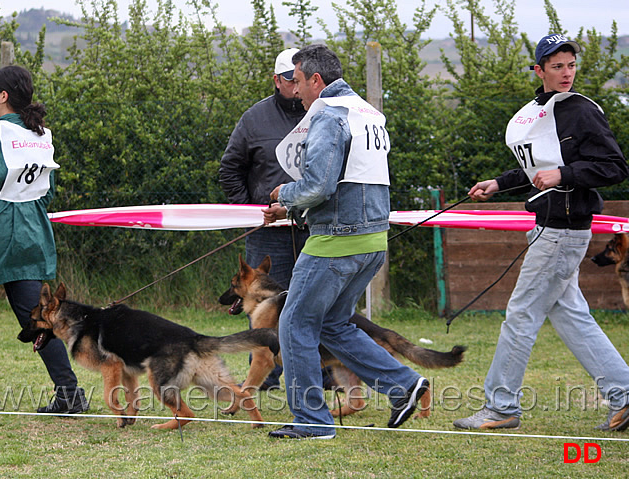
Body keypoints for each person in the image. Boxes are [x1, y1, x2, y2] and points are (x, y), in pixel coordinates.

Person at [453, 34, 629, 431]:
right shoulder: (537, 112)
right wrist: (499, 183)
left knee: (520, 315)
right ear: (539, 70)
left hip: (563, 232)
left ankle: (501, 406)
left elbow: (615, 167)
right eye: (557, 66)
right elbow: (538, 167)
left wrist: (565, 174)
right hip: (548, 228)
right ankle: (624, 392)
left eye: (570, 65)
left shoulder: (582, 112)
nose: (566, 73)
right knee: (572, 317)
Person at [264, 44, 429, 440]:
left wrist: (284, 195)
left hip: (336, 243)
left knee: (295, 324)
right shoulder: (368, 113)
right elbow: (348, 183)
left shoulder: (330, 115)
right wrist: (296, 211)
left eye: (299, 81)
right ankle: (404, 386)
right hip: (372, 240)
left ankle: (312, 421)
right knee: (334, 324)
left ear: (316, 80)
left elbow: (319, 185)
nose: (295, 91)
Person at [0, 65, 89, 415]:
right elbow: (48, 190)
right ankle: (69, 394)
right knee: (39, 320)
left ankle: (69, 395)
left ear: (3, 96)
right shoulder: (41, 134)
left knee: (37, 320)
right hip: (32, 233)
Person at [219, 48, 311, 390]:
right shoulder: (254, 118)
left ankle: (326, 370)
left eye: (299, 79)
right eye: (289, 80)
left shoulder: (322, 112)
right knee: (261, 306)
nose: (295, 87)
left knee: (315, 298)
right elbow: (230, 168)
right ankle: (264, 374)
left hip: (313, 226)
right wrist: (250, 211)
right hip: (268, 230)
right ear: (277, 80)